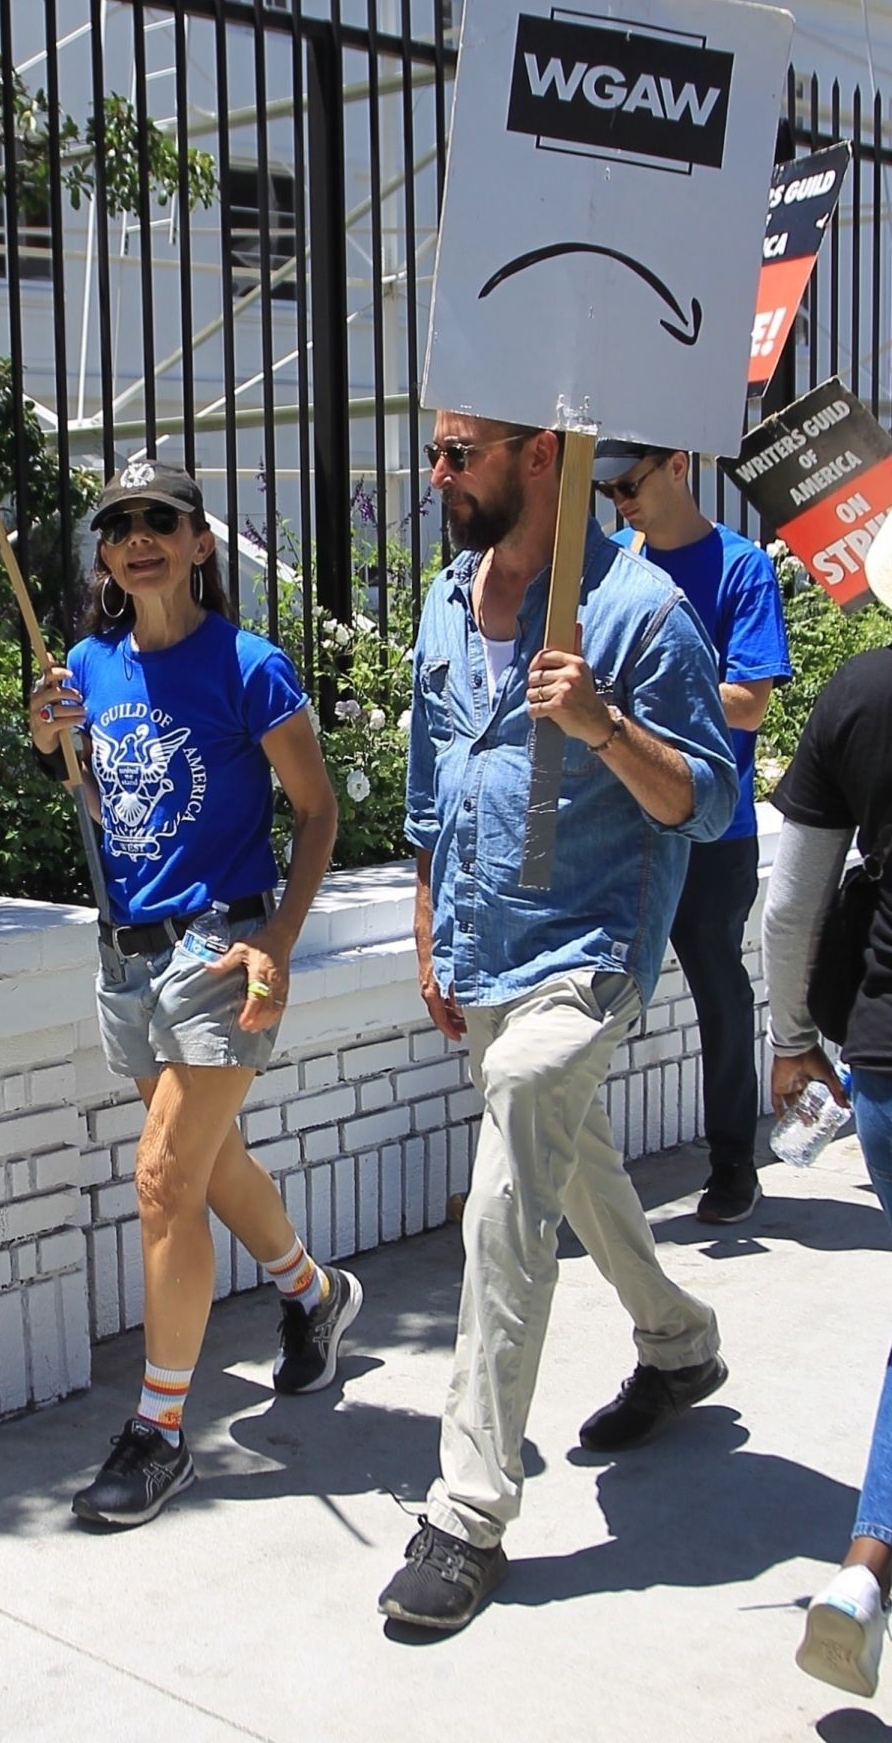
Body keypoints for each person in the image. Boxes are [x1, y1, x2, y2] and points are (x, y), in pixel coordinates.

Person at [378, 414, 739, 1632]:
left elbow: (700, 802)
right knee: (568, 1157)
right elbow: (432, 785)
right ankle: (678, 1341)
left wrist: (600, 725)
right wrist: (430, 932)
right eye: (433, 452)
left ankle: (467, 1508)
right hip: (481, 950)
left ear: (542, 456)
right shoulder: (443, 600)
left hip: (587, 953)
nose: (435, 476)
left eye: (457, 453)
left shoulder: (637, 614)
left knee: (514, 1159)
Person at [29, 459, 357, 1529]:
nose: (137, 538)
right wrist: (50, 742)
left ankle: (160, 1433)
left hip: (218, 950)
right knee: (207, 1167)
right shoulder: (87, 662)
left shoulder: (249, 667)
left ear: (199, 543)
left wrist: (278, 939)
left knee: (162, 1180)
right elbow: (96, 795)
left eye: (158, 521)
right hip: (126, 953)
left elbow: (316, 813)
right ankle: (314, 1294)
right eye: (118, 525)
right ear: (105, 557)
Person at [593, 439, 792, 1224]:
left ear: (679, 465)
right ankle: (578, 1176)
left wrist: (648, 694)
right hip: (619, 821)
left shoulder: (741, 567)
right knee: (590, 994)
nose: (618, 502)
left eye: (628, 484)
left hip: (713, 823)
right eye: (606, 490)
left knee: (718, 990)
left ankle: (734, 1163)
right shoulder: (611, 561)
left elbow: (749, 700)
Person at [763, 525, 892, 1697]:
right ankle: (863, 1570)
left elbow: (790, 902)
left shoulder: (858, 692)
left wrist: (788, 1041)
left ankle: (860, 1573)